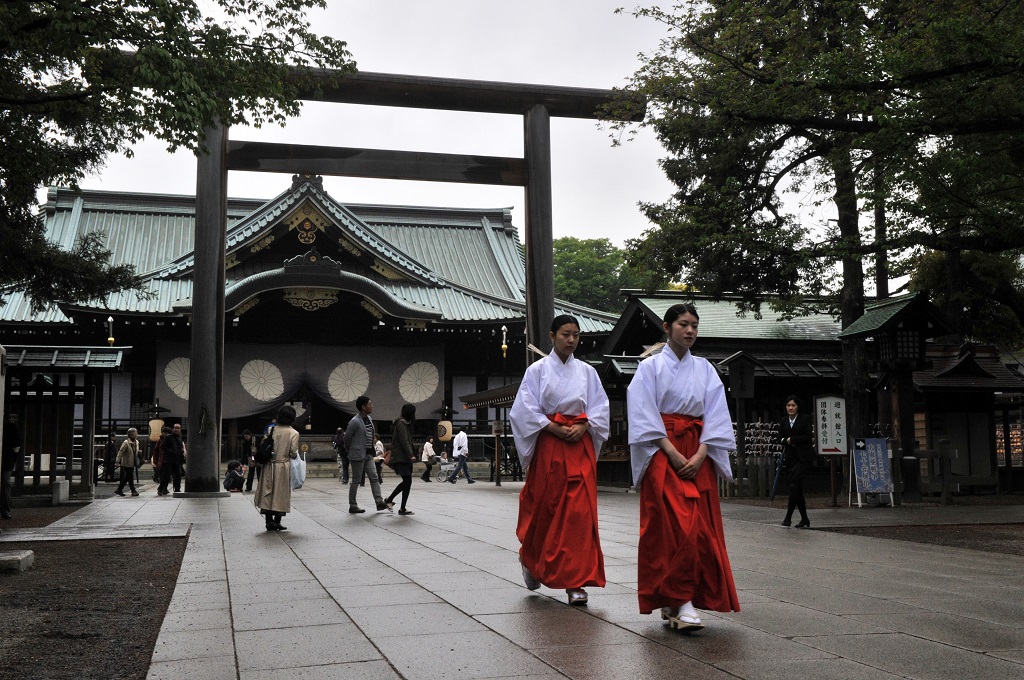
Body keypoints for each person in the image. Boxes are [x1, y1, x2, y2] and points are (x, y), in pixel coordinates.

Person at [627, 303, 740, 632]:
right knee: (672, 528)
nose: (689, 331)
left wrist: (703, 452)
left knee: (699, 528)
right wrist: (672, 453)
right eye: (683, 325)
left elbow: (716, 415)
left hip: (696, 452)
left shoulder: (705, 369)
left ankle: (681, 599)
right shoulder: (649, 369)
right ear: (667, 328)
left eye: (694, 325)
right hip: (663, 451)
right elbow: (643, 413)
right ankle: (677, 600)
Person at [510, 314, 610, 606]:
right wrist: (550, 425)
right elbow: (524, 409)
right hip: (549, 444)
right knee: (546, 508)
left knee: (579, 515)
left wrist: (586, 424)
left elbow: (600, 407)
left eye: (576, 335)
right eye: (566, 334)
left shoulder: (588, 373)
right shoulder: (537, 370)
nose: (571, 340)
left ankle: (575, 582)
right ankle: (531, 557)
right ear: (552, 336)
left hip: (578, 448)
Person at [253, 405, 299, 530]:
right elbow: (293, 452)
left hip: (269, 464)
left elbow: (265, 444)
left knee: (268, 492)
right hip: (283, 466)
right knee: (280, 493)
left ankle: (268, 521)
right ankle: (277, 521)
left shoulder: (271, 430)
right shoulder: (293, 433)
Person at [343, 396, 390, 514]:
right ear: (363, 407)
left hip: (369, 454)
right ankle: (352, 505)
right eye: (370, 404)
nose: (372, 405)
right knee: (356, 480)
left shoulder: (369, 418)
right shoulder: (354, 421)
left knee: (374, 477)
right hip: (358, 455)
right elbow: (347, 437)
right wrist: (351, 450)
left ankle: (379, 502)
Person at [780, 395, 815, 529]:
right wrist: (785, 441)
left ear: (798, 407)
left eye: (793, 405)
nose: (790, 408)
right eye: (788, 405)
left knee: (794, 484)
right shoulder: (784, 420)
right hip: (790, 456)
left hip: (803, 456)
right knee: (797, 489)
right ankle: (805, 519)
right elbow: (780, 437)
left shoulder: (805, 419)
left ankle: (788, 517)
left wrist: (792, 440)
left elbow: (807, 437)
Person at [384, 403, 417, 515]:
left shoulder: (404, 423)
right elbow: (404, 441)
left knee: (407, 482)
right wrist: (410, 454)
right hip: (401, 457)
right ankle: (391, 501)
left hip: (403, 457)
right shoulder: (402, 423)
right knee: (407, 480)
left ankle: (401, 507)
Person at [1, 413, 22, 520]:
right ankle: (5, 509)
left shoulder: (9, 427)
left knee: (5, 484)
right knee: (5, 484)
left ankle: (5, 509)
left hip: (6, 458)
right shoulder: (11, 427)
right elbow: (17, 444)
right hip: (7, 458)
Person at [157, 423, 185, 496]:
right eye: (175, 428)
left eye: (178, 428)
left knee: (178, 475)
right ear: (173, 429)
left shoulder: (180, 437)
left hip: (177, 459)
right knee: (167, 475)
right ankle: (161, 488)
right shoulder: (168, 437)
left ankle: (177, 489)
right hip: (169, 460)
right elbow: (163, 446)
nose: (177, 429)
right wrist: (170, 451)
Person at [114, 428, 141, 497]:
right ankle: (133, 490)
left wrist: (138, 452)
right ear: (131, 435)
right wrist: (117, 461)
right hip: (126, 462)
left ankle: (119, 489)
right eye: (135, 433)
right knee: (130, 476)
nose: (136, 434)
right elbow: (121, 452)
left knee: (127, 477)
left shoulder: (137, 442)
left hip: (133, 462)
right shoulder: (126, 443)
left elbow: (135, 451)